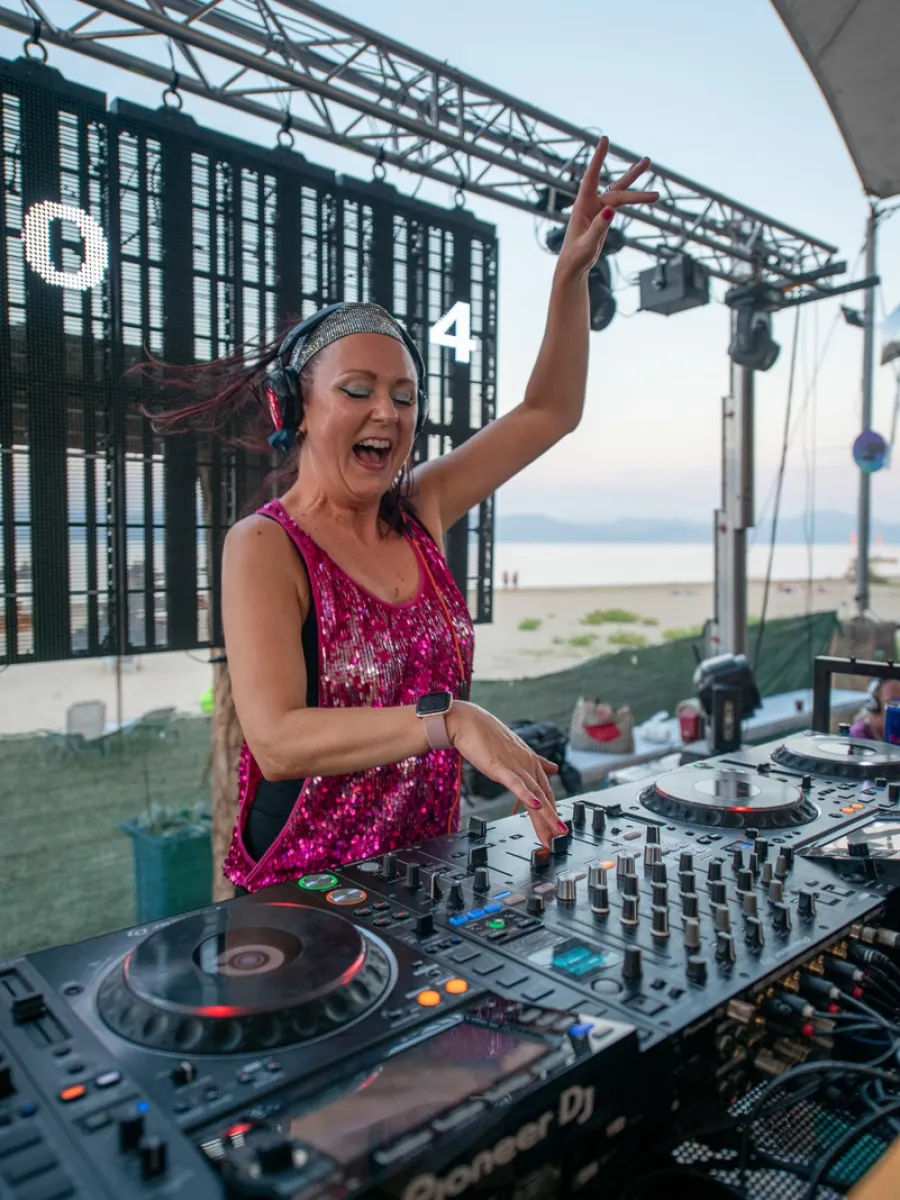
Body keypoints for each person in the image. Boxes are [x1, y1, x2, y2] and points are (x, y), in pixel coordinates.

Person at [147, 138, 657, 893]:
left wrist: (571, 277)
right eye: (357, 390)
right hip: (308, 900)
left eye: (405, 396)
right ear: (295, 408)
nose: (387, 410)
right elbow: (279, 740)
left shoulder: (419, 507)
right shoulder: (264, 545)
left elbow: (550, 410)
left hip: (430, 878)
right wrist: (450, 719)